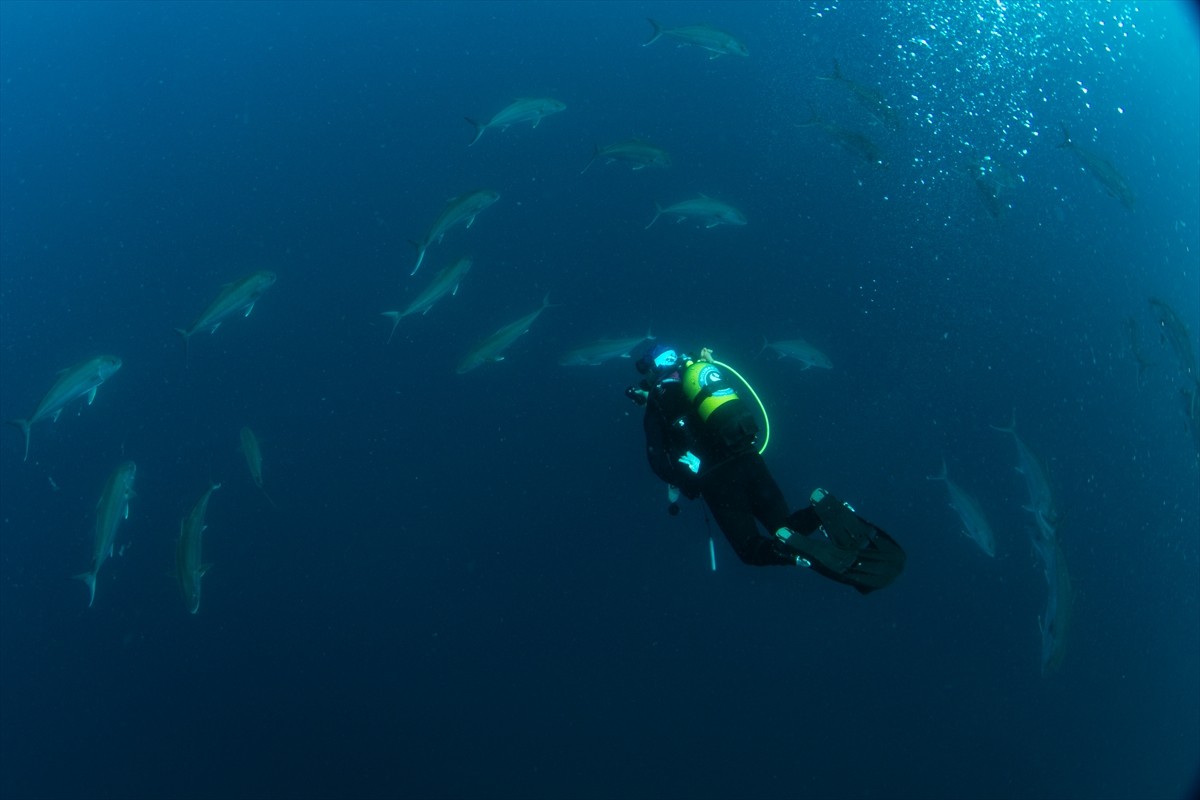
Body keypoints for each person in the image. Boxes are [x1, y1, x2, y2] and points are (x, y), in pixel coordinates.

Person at [626, 343, 905, 595]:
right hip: (750, 459)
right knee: (786, 528)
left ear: (651, 370)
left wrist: (688, 480)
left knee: (750, 549)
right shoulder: (701, 375)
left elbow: (657, 460)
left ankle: (793, 556)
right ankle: (825, 510)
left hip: (716, 479)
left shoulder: (659, 400)